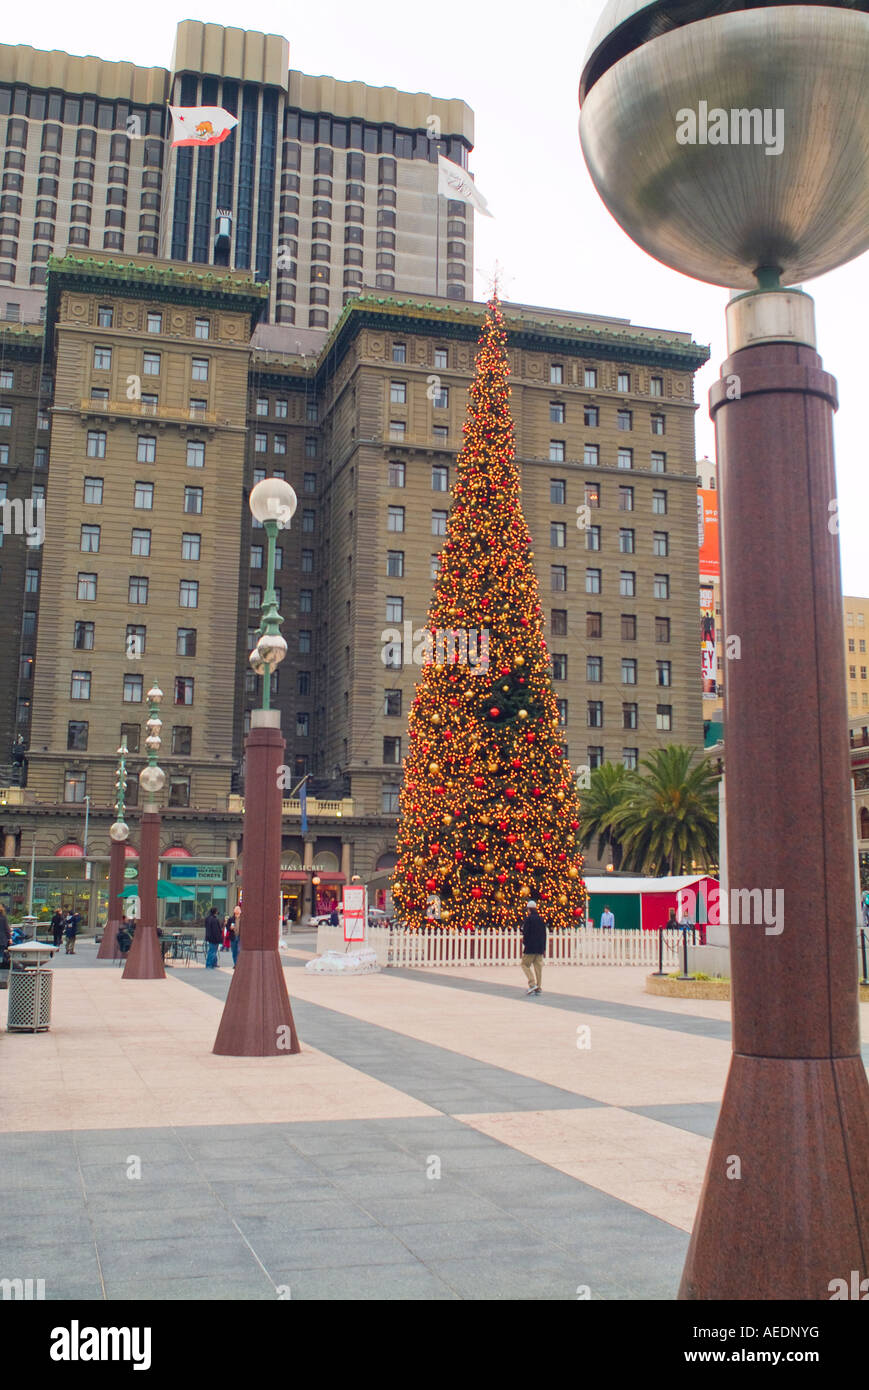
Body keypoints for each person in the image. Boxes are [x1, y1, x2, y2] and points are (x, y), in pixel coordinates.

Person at [520, 899, 547, 996]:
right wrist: (543, 947)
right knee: (538, 967)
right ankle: (538, 987)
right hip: (539, 947)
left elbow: (526, 932)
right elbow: (544, 934)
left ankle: (532, 983)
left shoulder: (528, 919)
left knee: (524, 964)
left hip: (530, 947)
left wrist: (525, 942)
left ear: (529, 909)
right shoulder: (541, 919)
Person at [0, 905, 10, 970]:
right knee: (1, 953)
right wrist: (9, 938)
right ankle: (0, 964)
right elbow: (7, 929)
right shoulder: (3, 918)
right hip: (2, 939)